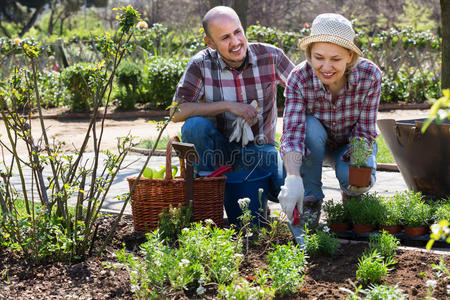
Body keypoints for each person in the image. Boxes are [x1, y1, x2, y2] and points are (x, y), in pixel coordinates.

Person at [171, 6, 295, 223]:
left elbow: (302, 89)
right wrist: (228, 105)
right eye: (225, 37)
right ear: (210, 43)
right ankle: (210, 198)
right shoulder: (201, 65)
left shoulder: (271, 56)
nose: (236, 42)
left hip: (259, 150)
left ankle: (259, 198)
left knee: (283, 182)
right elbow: (176, 111)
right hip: (218, 153)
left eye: (238, 32)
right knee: (193, 127)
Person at [278, 13, 382, 223]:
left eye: (335, 59)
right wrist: (292, 178)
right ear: (309, 54)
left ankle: (352, 194)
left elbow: (365, 131)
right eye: (319, 58)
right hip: (315, 146)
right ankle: (311, 199)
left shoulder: (370, 75)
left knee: (356, 181)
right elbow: (292, 134)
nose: (326, 67)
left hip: (351, 145)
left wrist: (357, 170)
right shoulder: (299, 78)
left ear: (350, 57)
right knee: (308, 126)